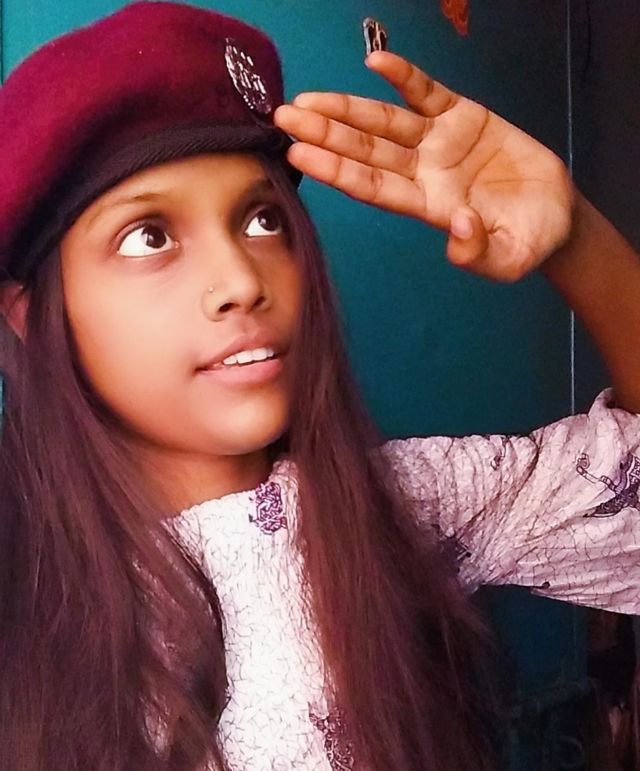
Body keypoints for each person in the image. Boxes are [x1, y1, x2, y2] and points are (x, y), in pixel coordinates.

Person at [0, 3, 639, 770]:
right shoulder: (23, 599)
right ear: (30, 315)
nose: (241, 280)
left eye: (262, 220)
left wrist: (576, 238)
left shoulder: (406, 508)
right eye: (150, 237)